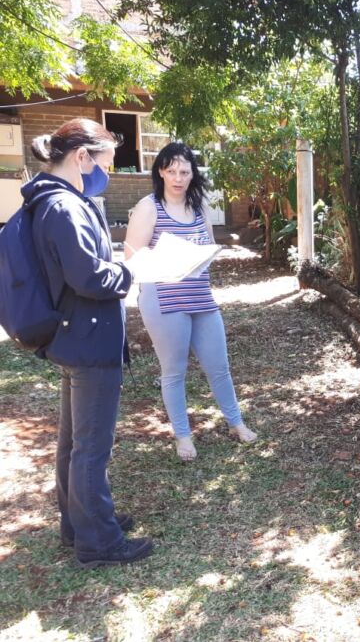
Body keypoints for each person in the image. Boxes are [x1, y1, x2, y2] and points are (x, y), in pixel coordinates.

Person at [24, 118, 153, 567]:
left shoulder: (53, 201)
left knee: (75, 443)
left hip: (75, 334)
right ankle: (98, 542)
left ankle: (77, 523)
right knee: (91, 447)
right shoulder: (65, 207)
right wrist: (130, 272)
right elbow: (89, 276)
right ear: (82, 157)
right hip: (90, 338)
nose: (108, 172)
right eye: (106, 161)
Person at [124, 142, 256, 461]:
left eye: (184, 171)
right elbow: (132, 257)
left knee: (219, 367)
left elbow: (207, 247)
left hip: (199, 295)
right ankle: (183, 436)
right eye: (171, 171)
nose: (178, 177)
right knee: (174, 371)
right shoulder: (149, 206)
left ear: (192, 173)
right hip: (163, 299)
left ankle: (236, 423)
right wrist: (167, 259)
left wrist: (201, 256)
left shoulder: (199, 206)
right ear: (160, 172)